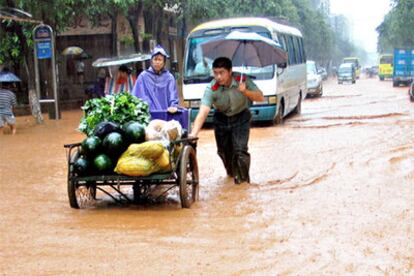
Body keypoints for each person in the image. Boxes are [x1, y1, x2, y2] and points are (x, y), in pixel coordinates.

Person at [190, 57, 264, 184]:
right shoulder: (211, 88)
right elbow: (203, 111)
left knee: (240, 150)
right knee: (224, 152)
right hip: (221, 119)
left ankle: (243, 184)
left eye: (221, 73)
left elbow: (260, 97)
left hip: (241, 117)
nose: (218, 77)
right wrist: (193, 134)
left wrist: (245, 91)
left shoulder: (243, 80)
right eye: (215, 73)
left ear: (230, 71)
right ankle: (231, 173)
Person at [132, 45, 178, 113]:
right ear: (151, 61)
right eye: (155, 59)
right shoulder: (143, 77)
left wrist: (173, 107)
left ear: (164, 62)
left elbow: (172, 96)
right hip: (148, 115)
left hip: (165, 115)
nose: (157, 62)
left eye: (160, 60)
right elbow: (136, 96)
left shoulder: (169, 78)